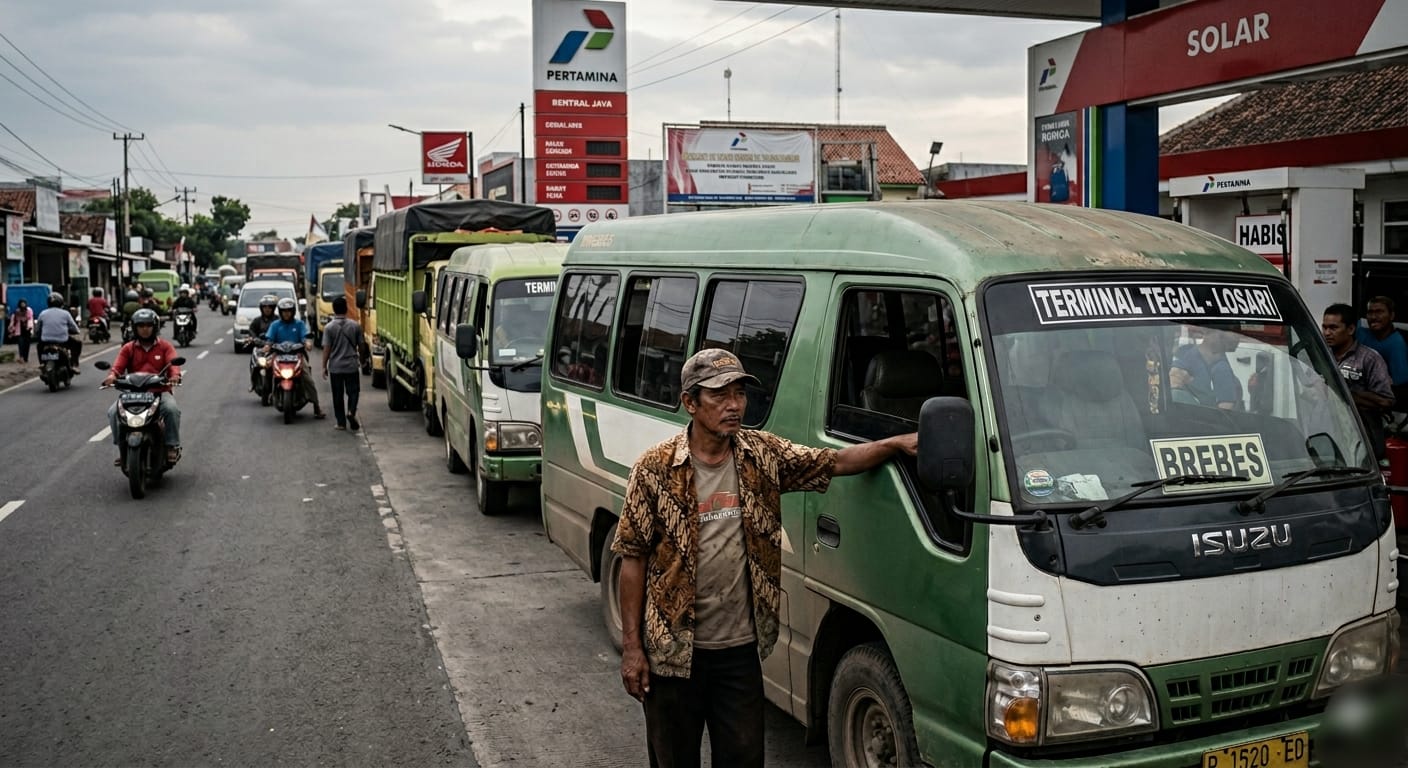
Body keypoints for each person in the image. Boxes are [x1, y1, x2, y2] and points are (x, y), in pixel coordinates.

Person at [613, 348, 918, 767]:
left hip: (738, 653)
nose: (734, 405)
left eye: (739, 393)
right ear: (690, 403)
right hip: (672, 655)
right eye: (719, 395)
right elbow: (632, 559)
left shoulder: (762, 455)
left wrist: (894, 443)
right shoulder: (654, 469)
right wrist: (632, 649)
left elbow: (833, 461)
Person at [102, 308, 183, 465]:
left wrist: (175, 376)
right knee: (113, 412)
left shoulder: (165, 346)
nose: (145, 329)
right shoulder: (128, 348)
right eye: (141, 326)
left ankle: (171, 445)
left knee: (172, 409)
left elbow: (173, 364)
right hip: (133, 394)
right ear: (135, 328)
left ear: (154, 327)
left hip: (159, 392)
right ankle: (122, 448)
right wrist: (112, 377)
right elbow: (117, 368)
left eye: (148, 325)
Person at [1324, 303, 1395, 462]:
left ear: (1350, 329)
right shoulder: (1318, 356)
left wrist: (1346, 394)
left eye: (1333, 328)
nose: (1327, 333)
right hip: (1325, 436)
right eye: (1325, 327)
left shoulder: (1369, 358)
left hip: (1361, 438)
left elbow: (1386, 401)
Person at [263, 297, 325, 419]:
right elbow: (269, 340)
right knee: (265, 369)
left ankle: (316, 406)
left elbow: (305, 338)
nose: (286, 313)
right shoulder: (275, 325)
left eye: (289, 311)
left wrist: (307, 343)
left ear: (293, 311)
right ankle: (268, 394)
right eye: (284, 311)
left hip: (297, 356)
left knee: (308, 379)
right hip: (278, 356)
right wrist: (267, 346)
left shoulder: (299, 324)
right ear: (280, 312)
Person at [1170, 327, 1243, 409]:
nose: (1236, 337)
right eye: (1231, 330)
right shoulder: (1186, 355)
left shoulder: (1222, 368)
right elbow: (1173, 379)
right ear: (1211, 333)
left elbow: (1225, 410)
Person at [321, 295, 364, 431]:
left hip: (336, 367)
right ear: (346, 308)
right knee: (353, 391)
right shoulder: (355, 326)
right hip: (351, 366)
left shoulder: (329, 328)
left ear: (333, 309)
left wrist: (324, 366)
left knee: (337, 395)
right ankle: (351, 411)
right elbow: (361, 346)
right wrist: (362, 360)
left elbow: (327, 349)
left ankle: (341, 423)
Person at [1357, 296, 1408, 407]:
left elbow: (1399, 385)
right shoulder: (1360, 333)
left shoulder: (1396, 344)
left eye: (1379, 312)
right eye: (1370, 312)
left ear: (1391, 316)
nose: (1373, 317)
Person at [34, 292, 82, 373]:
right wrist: (76, 331)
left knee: (39, 346)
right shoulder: (65, 314)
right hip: (62, 341)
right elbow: (75, 328)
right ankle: (74, 364)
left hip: (46, 341)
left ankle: (42, 363)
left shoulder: (43, 313)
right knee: (77, 344)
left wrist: (37, 334)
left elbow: (37, 329)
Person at [7, 298, 33, 363]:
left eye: (24, 303)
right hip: (19, 331)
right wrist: (11, 331)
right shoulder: (16, 312)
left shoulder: (29, 311)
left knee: (27, 345)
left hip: (27, 330)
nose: (23, 305)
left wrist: (30, 328)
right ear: (19, 304)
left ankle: (26, 358)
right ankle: (21, 357)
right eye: (22, 303)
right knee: (21, 344)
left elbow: (30, 319)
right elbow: (14, 321)